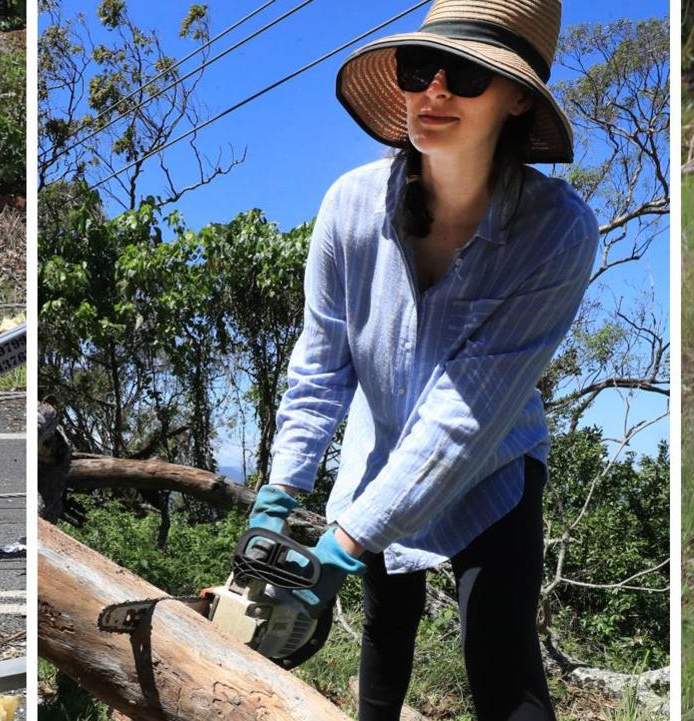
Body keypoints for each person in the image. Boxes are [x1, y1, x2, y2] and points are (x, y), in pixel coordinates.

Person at [247, 1, 597, 720]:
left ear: (517, 98)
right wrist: (280, 494)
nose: (433, 90)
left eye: (466, 74)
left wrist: (343, 539)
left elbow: (465, 415)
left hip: (493, 458)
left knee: (500, 650)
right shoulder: (350, 206)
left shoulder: (557, 231)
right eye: (418, 69)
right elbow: (320, 367)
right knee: (387, 624)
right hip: (380, 448)